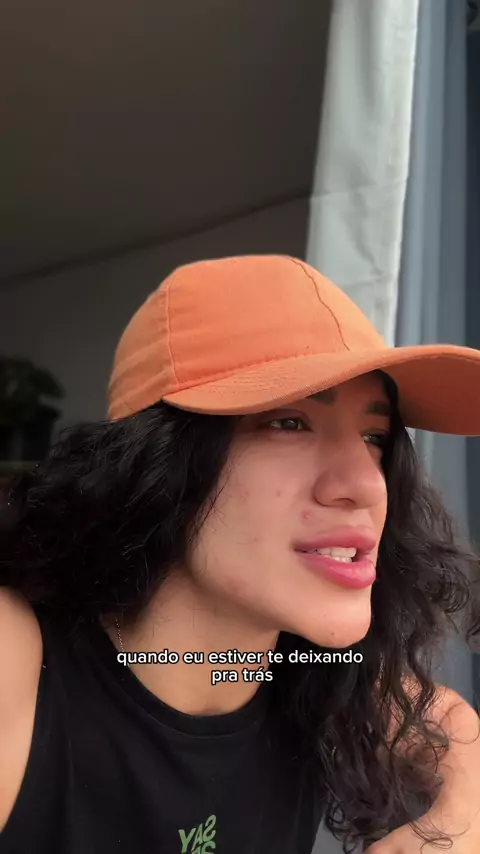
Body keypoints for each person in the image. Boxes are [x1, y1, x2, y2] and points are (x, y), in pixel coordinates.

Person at [1, 255, 480, 854]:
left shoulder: (291, 672)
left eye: (374, 437)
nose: (366, 483)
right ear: (156, 462)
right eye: (289, 423)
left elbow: (452, 727)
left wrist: (461, 819)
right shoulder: (21, 664)